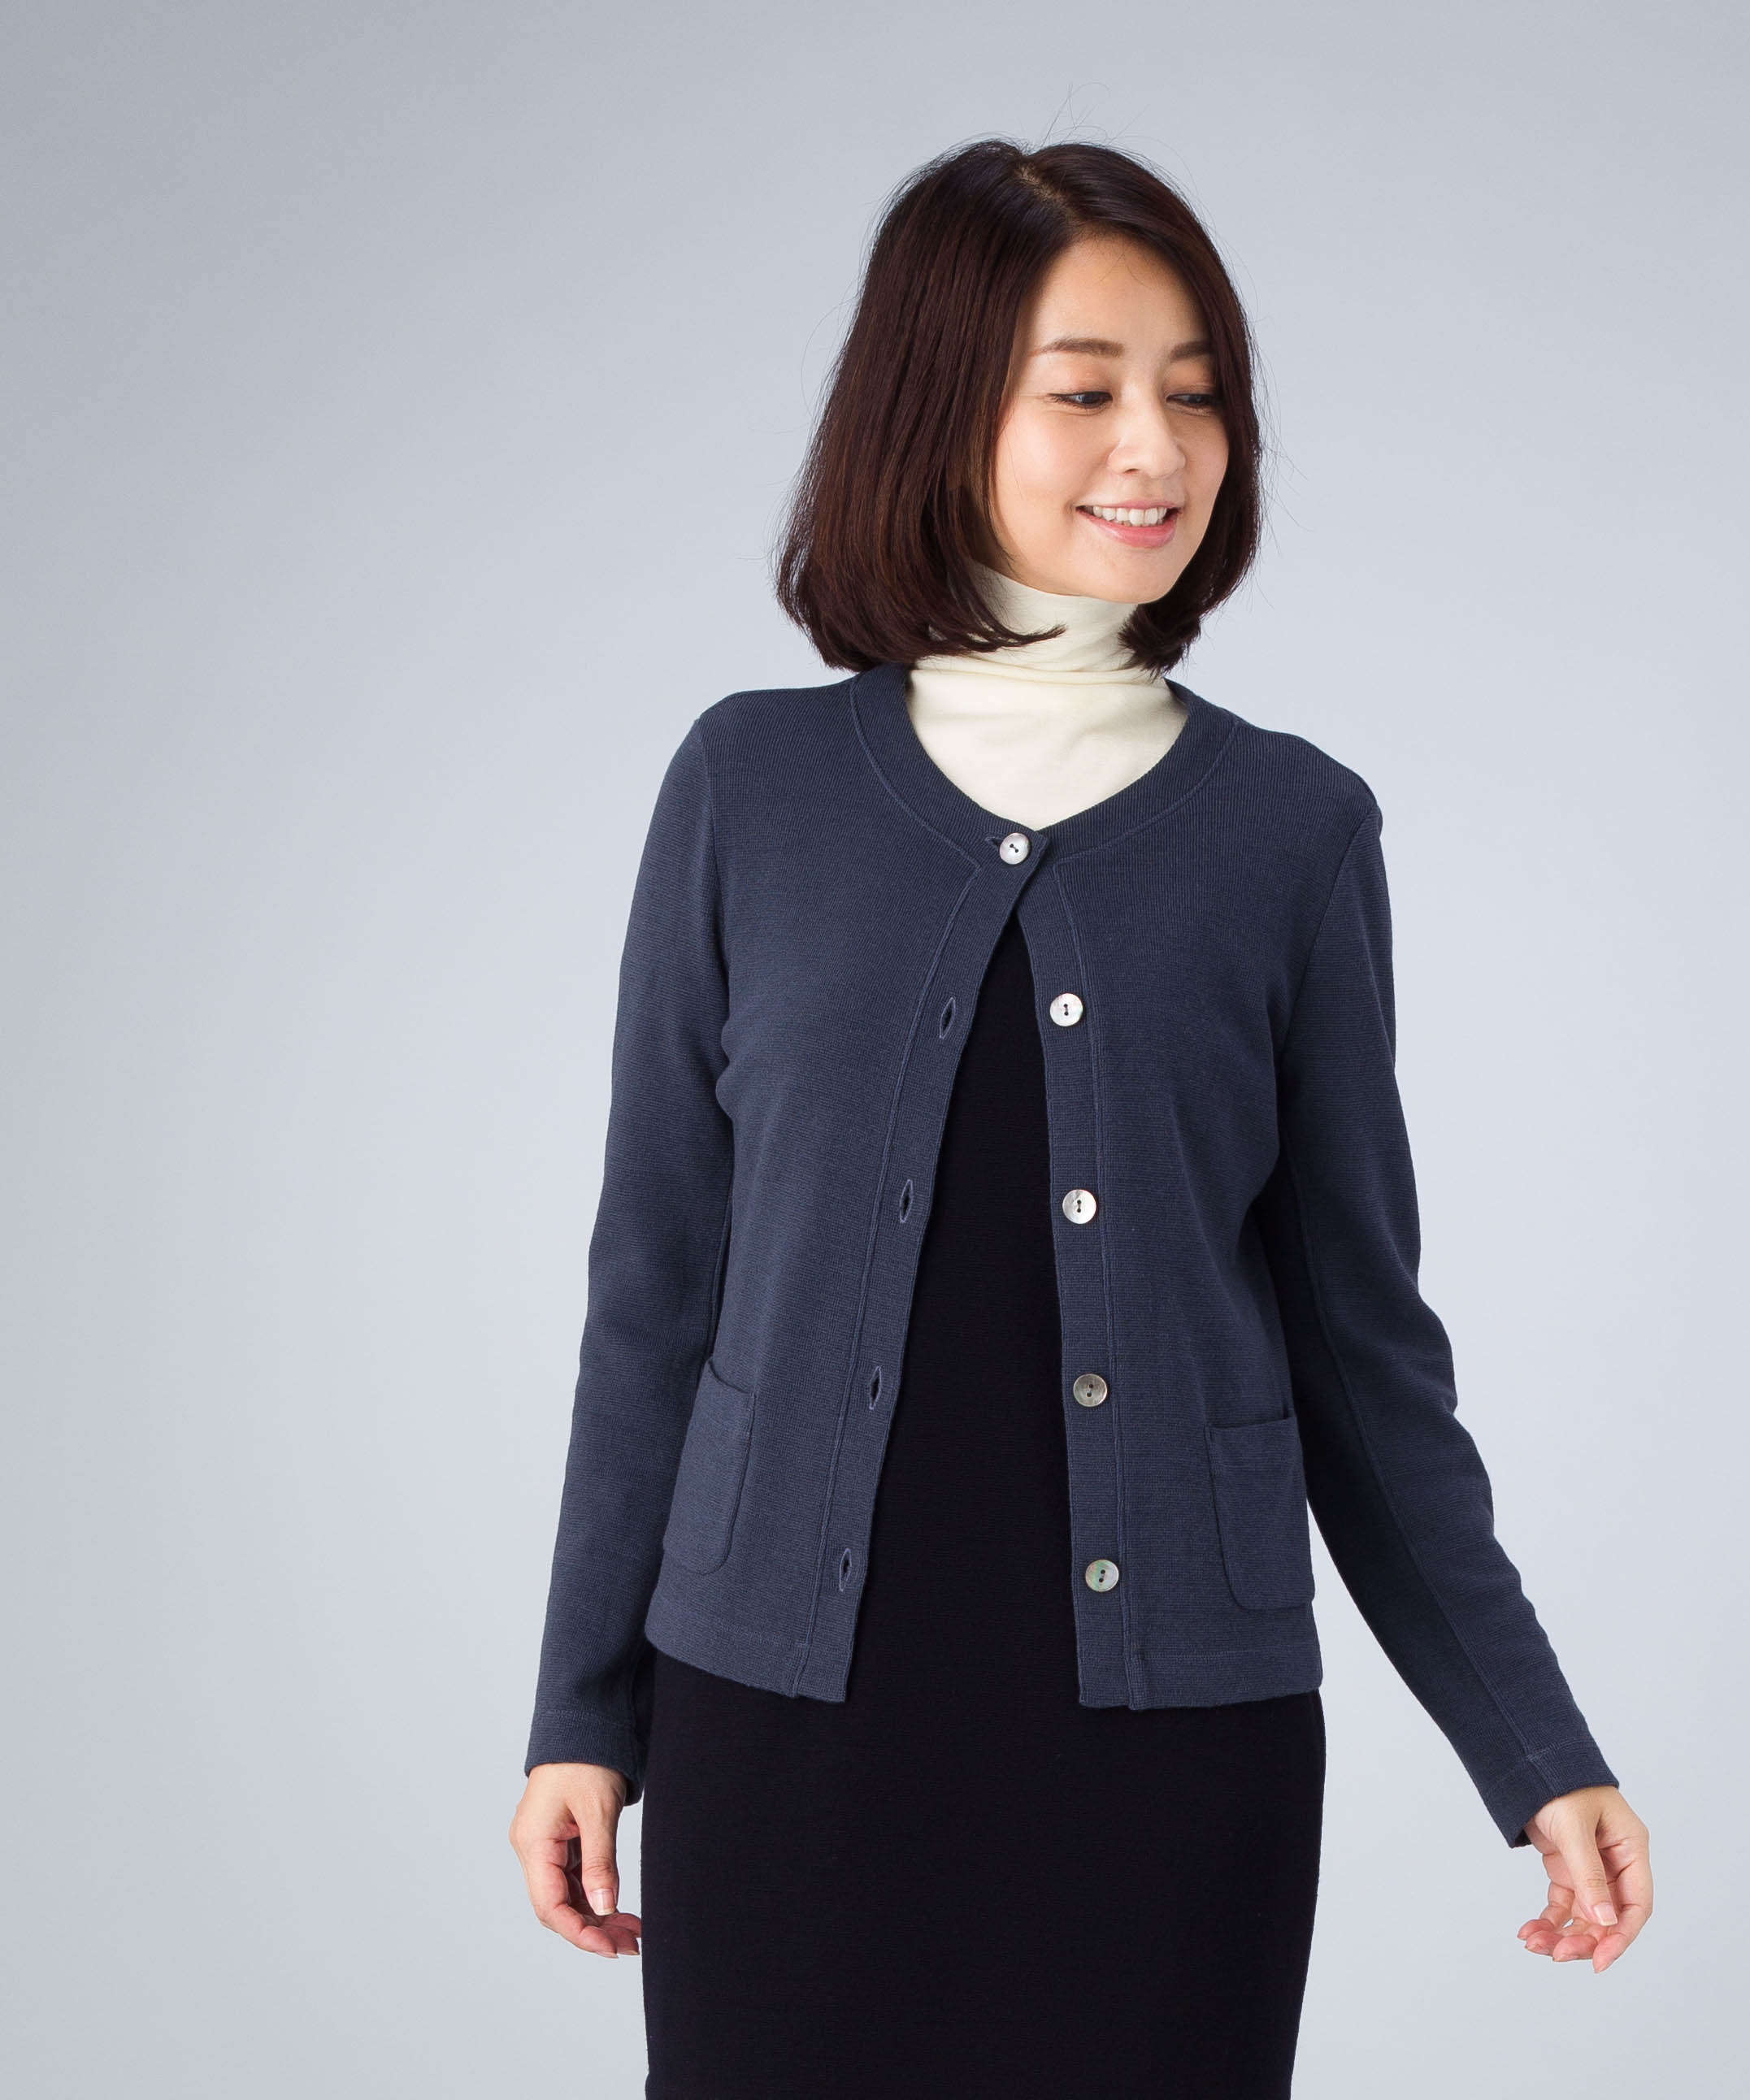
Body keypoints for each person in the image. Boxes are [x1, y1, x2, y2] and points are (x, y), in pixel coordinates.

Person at [508, 137, 1653, 2096]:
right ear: (939, 405)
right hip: (778, 1730)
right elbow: (655, 1297)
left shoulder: (1290, 831)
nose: (1155, 445)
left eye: (1194, 393)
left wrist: (1532, 1746)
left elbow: (1362, 1356)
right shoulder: (749, 791)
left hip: (1166, 1754)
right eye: (1086, 386)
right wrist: (580, 1707)